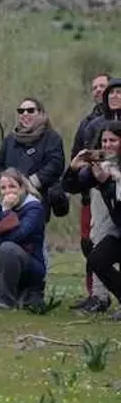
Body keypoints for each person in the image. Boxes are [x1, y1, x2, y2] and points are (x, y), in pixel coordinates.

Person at [62, 120, 121, 315]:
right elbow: (71, 187)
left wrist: (108, 183)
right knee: (97, 259)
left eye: (113, 140)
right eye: (104, 141)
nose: (107, 145)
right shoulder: (103, 166)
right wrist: (73, 168)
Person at [0, 168, 47, 310]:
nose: (8, 191)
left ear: (22, 187)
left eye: (12, 186)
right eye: (3, 188)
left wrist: (6, 212)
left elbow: (18, 236)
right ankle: (17, 294)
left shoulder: (34, 208)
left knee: (7, 248)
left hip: (30, 263)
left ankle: (6, 300)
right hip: (0, 262)